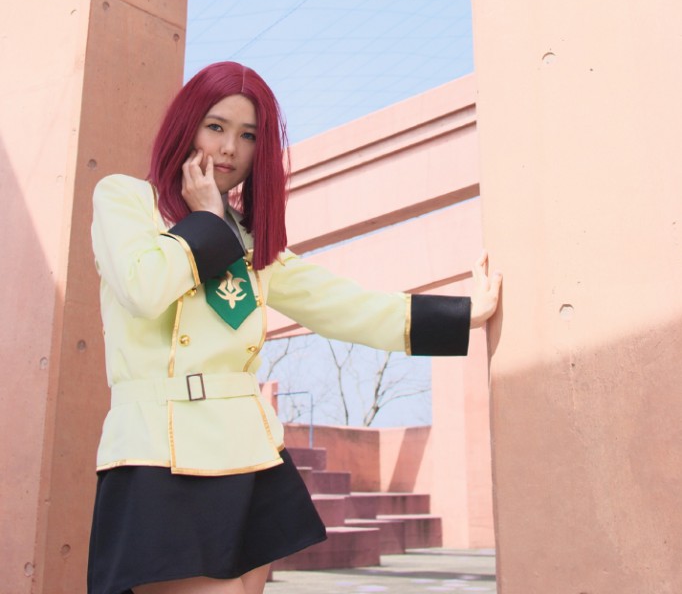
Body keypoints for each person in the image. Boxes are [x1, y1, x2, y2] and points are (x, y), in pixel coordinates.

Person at [87, 61, 502, 594]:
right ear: (186, 126)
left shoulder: (250, 241)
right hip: (155, 453)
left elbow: (341, 304)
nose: (229, 149)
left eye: (248, 136)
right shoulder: (125, 199)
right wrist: (206, 220)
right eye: (215, 127)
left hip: (247, 451)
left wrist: (464, 315)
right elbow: (142, 288)